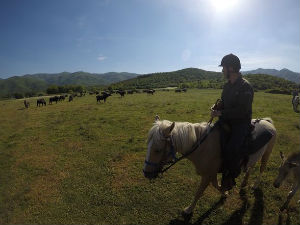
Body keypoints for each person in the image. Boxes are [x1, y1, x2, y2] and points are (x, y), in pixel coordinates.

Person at [210, 53, 254, 191]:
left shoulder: (246, 87)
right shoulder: (227, 86)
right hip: (225, 120)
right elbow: (223, 102)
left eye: (223, 68)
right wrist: (217, 107)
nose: (222, 70)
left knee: (232, 148)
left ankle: (230, 177)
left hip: (240, 123)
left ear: (231, 68)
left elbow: (242, 111)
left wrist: (220, 113)